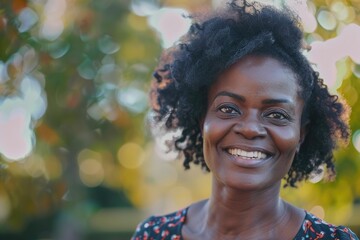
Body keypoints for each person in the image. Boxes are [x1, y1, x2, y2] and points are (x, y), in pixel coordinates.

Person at [132, 0, 359, 239]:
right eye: (229, 109)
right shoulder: (154, 235)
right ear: (201, 119)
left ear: (301, 133)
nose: (250, 129)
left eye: (276, 115)